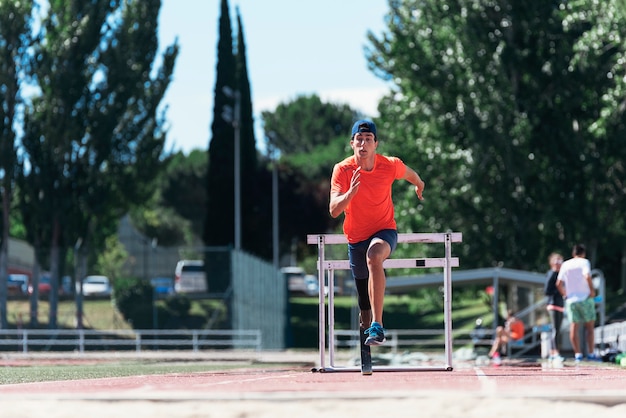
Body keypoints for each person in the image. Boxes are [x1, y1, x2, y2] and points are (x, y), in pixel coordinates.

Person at [329, 120, 425, 346]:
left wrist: (419, 185)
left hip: (385, 230)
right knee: (363, 299)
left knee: (374, 256)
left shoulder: (389, 165)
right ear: (352, 143)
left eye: (368, 139)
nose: (363, 144)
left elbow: (411, 174)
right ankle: (367, 326)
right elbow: (334, 210)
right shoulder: (342, 170)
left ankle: (378, 325)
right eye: (359, 140)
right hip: (356, 237)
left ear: (376, 144)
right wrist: (350, 195)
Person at [556, 243, 597, 362]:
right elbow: (587, 276)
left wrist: (565, 294)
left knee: (574, 327)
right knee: (589, 327)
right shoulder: (584, 262)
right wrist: (592, 290)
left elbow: (558, 283)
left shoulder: (566, 264)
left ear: (573, 253)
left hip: (571, 300)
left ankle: (577, 354)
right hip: (585, 298)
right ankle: (591, 353)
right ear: (583, 253)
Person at [544, 252, 565, 362]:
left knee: (558, 329)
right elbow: (547, 290)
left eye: (560, 261)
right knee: (555, 329)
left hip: (560, 304)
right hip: (553, 304)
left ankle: (554, 351)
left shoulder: (562, 275)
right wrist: (559, 292)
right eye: (556, 261)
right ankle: (555, 351)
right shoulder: (551, 273)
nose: (558, 263)